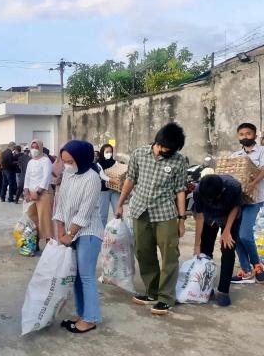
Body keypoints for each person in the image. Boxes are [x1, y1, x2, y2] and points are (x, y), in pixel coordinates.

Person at [115, 122, 187, 315]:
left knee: (169, 255)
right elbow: (130, 179)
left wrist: (181, 220)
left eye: (172, 149)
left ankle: (166, 297)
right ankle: (152, 291)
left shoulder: (179, 160)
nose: (168, 152)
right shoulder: (139, 154)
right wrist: (120, 203)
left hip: (165, 214)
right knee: (143, 252)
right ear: (158, 141)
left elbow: (180, 190)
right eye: (165, 148)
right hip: (140, 211)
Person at [54, 140, 104, 334]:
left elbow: (84, 213)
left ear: (82, 159)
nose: (66, 164)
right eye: (64, 160)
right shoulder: (68, 174)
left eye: (70, 161)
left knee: (86, 276)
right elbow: (61, 203)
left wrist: (70, 234)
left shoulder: (92, 178)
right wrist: (60, 233)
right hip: (69, 232)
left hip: (88, 233)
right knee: (75, 278)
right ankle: (82, 313)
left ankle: (90, 319)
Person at [193, 174, 243, 306]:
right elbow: (199, 216)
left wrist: (227, 230)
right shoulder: (198, 191)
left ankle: (223, 291)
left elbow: (236, 207)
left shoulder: (233, 187)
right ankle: (206, 287)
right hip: (209, 218)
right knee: (205, 250)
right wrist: (197, 244)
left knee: (228, 249)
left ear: (222, 192)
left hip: (230, 216)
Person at [230, 122, 264, 283]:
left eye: (248, 133)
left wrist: (253, 183)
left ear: (255, 136)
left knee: (245, 235)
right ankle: (246, 270)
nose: (245, 136)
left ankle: (257, 265)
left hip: (256, 200)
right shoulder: (235, 156)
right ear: (238, 137)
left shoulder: (262, 151)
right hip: (238, 201)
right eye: (242, 134)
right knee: (235, 236)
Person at [24, 139, 54, 250]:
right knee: (32, 219)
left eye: (36, 147)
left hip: (43, 193)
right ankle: (34, 244)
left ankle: (49, 246)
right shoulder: (30, 162)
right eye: (32, 147)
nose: (34, 150)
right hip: (31, 194)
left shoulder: (46, 161)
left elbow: (46, 177)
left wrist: (38, 192)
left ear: (41, 148)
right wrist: (26, 192)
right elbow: (27, 178)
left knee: (45, 220)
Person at [98, 144, 121, 227]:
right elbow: (102, 175)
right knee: (103, 214)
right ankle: (102, 234)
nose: (109, 154)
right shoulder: (99, 164)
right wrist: (112, 180)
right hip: (104, 191)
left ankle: (119, 232)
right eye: (107, 152)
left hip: (115, 190)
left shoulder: (115, 162)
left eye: (111, 152)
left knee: (118, 212)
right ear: (102, 152)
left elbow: (120, 172)